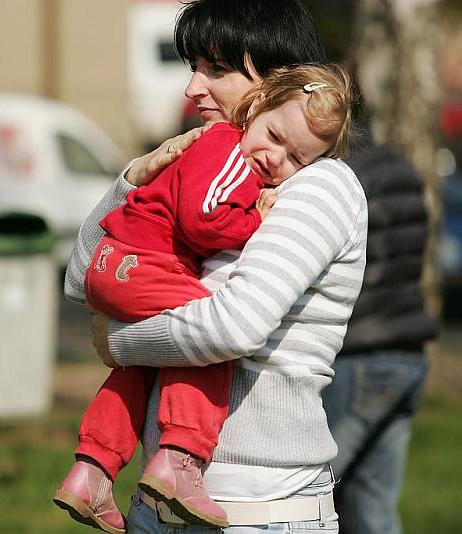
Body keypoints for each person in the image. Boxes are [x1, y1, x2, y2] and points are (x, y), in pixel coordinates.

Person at [63, 0, 367, 532]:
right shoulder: (214, 166)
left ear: (280, 83)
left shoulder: (318, 186)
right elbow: (84, 275)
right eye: (193, 68)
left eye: (217, 70)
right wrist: (134, 179)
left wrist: (121, 341)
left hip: (259, 512)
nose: (193, 89)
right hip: (158, 509)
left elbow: (234, 326)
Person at [321, 133, 437, 534]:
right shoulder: (397, 162)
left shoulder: (337, 175)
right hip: (407, 352)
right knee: (373, 510)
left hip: (358, 355)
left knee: (306, 495)